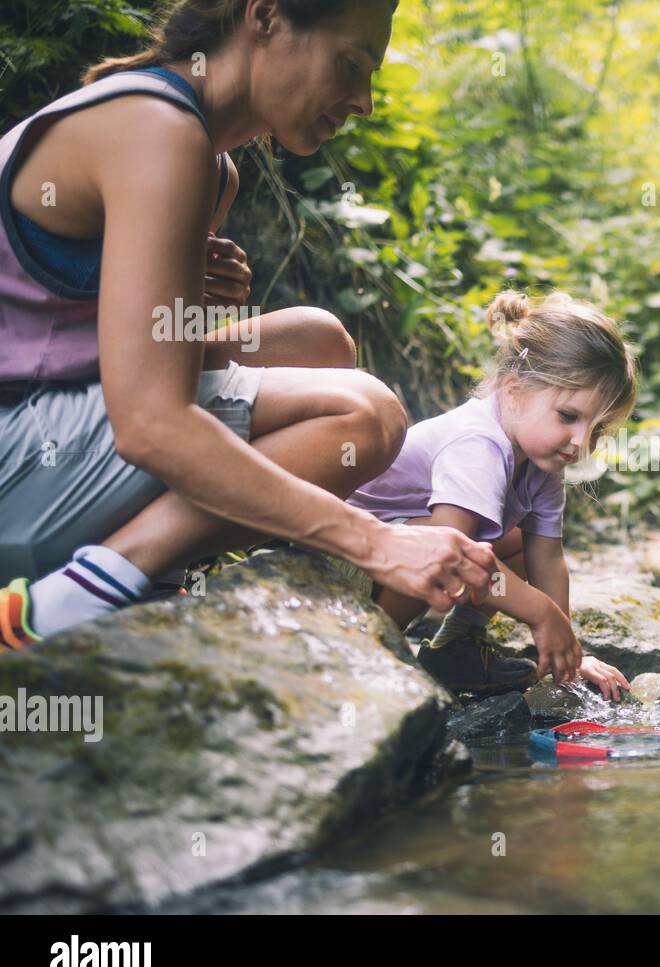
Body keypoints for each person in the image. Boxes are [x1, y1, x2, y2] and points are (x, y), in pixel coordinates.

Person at [0, 0, 497, 651]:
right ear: (264, 16)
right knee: (366, 416)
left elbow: (86, 333)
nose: (364, 102)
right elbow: (152, 423)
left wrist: (189, 291)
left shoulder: (210, 164)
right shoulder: (155, 129)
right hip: (22, 462)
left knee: (319, 339)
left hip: (45, 420)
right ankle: (70, 597)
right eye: (350, 65)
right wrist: (377, 542)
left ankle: (134, 566)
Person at [344, 290, 638, 701]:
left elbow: (548, 559)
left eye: (597, 429)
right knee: (450, 542)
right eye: (569, 417)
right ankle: (367, 650)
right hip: (343, 566)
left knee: (513, 541)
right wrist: (540, 613)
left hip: (401, 561)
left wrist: (566, 650)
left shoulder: (543, 463)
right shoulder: (478, 443)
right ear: (514, 391)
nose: (580, 443)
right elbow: (450, 553)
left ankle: (455, 650)